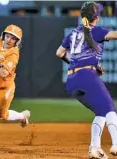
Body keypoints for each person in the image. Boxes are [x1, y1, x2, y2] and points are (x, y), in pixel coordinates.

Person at [56, 1, 117, 159]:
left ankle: (94, 148)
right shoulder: (95, 31)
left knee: (101, 111)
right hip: (87, 77)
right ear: (96, 17)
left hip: (72, 80)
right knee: (110, 108)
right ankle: (116, 144)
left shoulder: (74, 33)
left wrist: (78, 64)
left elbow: (59, 52)